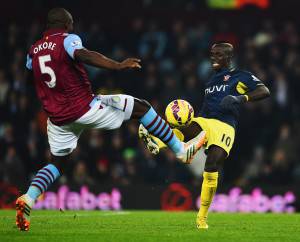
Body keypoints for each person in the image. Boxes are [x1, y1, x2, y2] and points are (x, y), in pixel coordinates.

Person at [15, 8, 206, 231]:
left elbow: (30, 80)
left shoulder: (33, 51)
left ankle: (28, 197)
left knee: (58, 163)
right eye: (71, 23)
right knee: (142, 108)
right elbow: (84, 55)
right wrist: (117, 65)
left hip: (58, 118)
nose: (73, 26)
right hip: (85, 107)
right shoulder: (68, 40)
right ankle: (180, 149)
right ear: (65, 24)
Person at [139, 42, 270, 229]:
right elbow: (205, 108)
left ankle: (202, 218)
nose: (213, 58)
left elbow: (265, 91)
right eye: (212, 54)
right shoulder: (211, 82)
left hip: (225, 126)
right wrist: (195, 122)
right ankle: (156, 142)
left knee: (212, 163)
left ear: (228, 57)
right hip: (205, 121)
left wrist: (239, 98)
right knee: (182, 125)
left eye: (218, 55)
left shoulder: (242, 76)